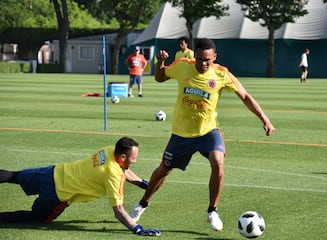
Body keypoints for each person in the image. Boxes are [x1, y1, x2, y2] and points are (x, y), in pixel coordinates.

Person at [129, 38, 275, 232]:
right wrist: (160, 63)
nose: (203, 63)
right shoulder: (183, 66)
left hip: (209, 131)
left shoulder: (222, 74)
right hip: (182, 133)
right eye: (199, 59)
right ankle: (143, 204)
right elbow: (160, 77)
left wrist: (264, 118)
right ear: (194, 56)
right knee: (163, 171)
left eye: (207, 59)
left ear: (214, 57)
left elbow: (245, 96)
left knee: (218, 162)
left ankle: (212, 211)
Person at [0, 137, 161, 236]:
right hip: (57, 195)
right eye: (134, 157)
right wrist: (137, 229)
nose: (135, 160)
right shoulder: (114, 176)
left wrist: (143, 183)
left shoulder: (110, 150)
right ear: (123, 156)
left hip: (53, 172)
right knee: (38, 218)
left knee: (13, 176)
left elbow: (124, 169)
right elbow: (119, 212)